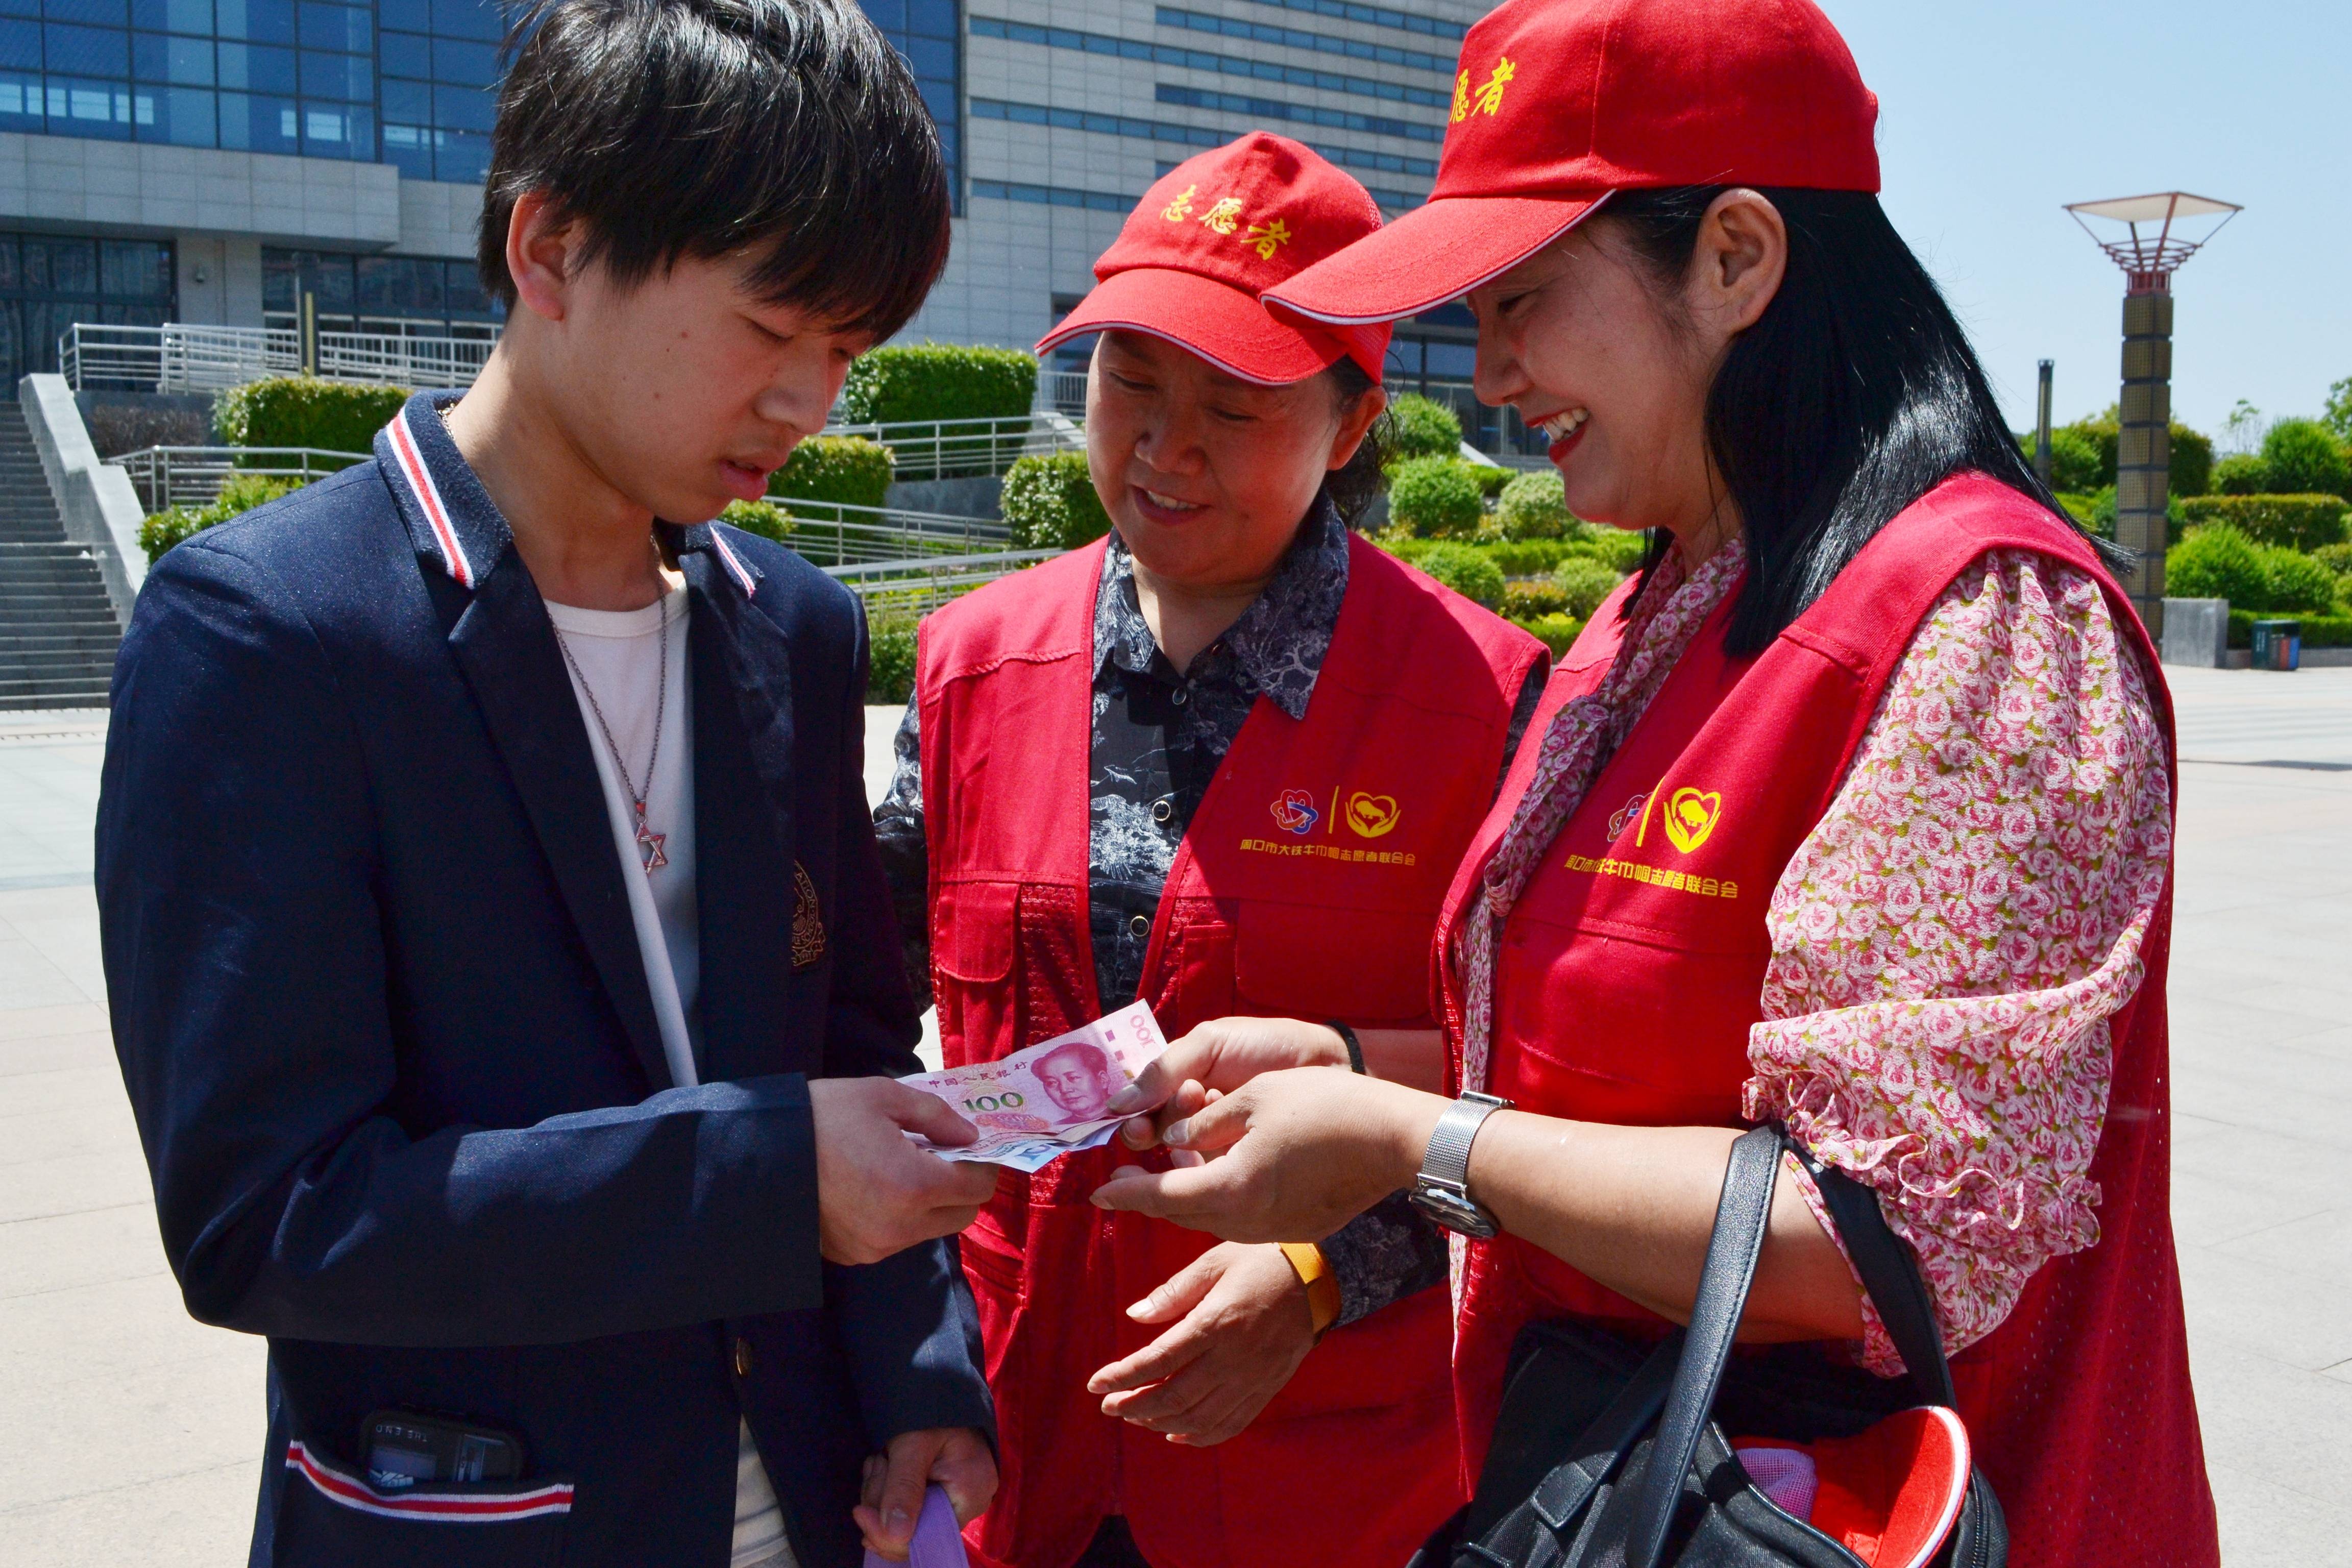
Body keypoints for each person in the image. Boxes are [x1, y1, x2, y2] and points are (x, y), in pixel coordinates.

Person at [1092, 2, 2219, 1564]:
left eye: (1526, 304)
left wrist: (1399, 1141)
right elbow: (1623, 1078)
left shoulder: (1983, 626)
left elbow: (1877, 1235)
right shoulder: (1654, 608)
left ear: (1739, 259)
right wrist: (1353, 1060)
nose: (1490, 377)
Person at [95, 3, 1000, 1565]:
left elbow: (848, 1043)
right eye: (771, 330)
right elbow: (273, 1216)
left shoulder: (790, 625)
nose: (811, 406)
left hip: (810, 1499)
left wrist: (916, 1361)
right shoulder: (276, 633)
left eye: (846, 352)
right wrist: (768, 1177)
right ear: (552, 245)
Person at [870, 134, 1549, 1568]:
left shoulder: (1491, 705)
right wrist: (903, 1354)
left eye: (1234, 407)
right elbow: (862, 1027)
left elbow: (1550, 1103)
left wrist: (1318, 1275)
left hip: (1329, 1465)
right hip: (1012, 1433)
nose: (1164, 451)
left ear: (1353, 426)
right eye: (1131, 383)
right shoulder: (968, 666)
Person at [1037, 1041, 1124, 1125]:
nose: (1064, 1089)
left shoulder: (1132, 1110)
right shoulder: (1055, 1129)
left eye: (1073, 1078)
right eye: (1052, 1083)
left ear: (1103, 1080)